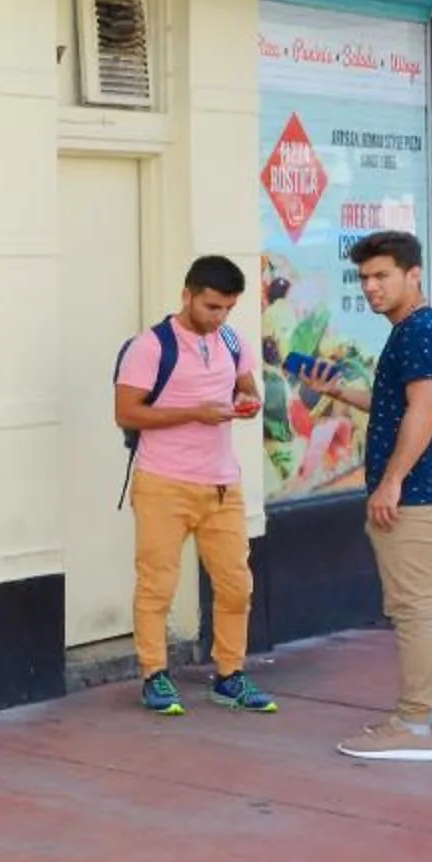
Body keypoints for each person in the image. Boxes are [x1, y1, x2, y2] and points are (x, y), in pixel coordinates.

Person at [313, 229, 432, 763]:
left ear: (414, 275)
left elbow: (423, 410)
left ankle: (412, 723)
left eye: (382, 276)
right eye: (364, 278)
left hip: (418, 497)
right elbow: (397, 406)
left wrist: (391, 480)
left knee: (415, 612)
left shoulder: (419, 333)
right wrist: (340, 392)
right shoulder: (418, 330)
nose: (371, 287)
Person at [116, 255, 274, 718]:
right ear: (187, 295)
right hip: (164, 481)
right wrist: (195, 412)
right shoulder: (150, 347)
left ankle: (230, 675)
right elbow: (127, 412)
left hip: (223, 483)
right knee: (157, 584)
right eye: (210, 306)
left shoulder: (229, 338)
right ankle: (154, 673)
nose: (219, 316)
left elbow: (249, 391)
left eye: (227, 308)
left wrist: (246, 403)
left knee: (236, 585)